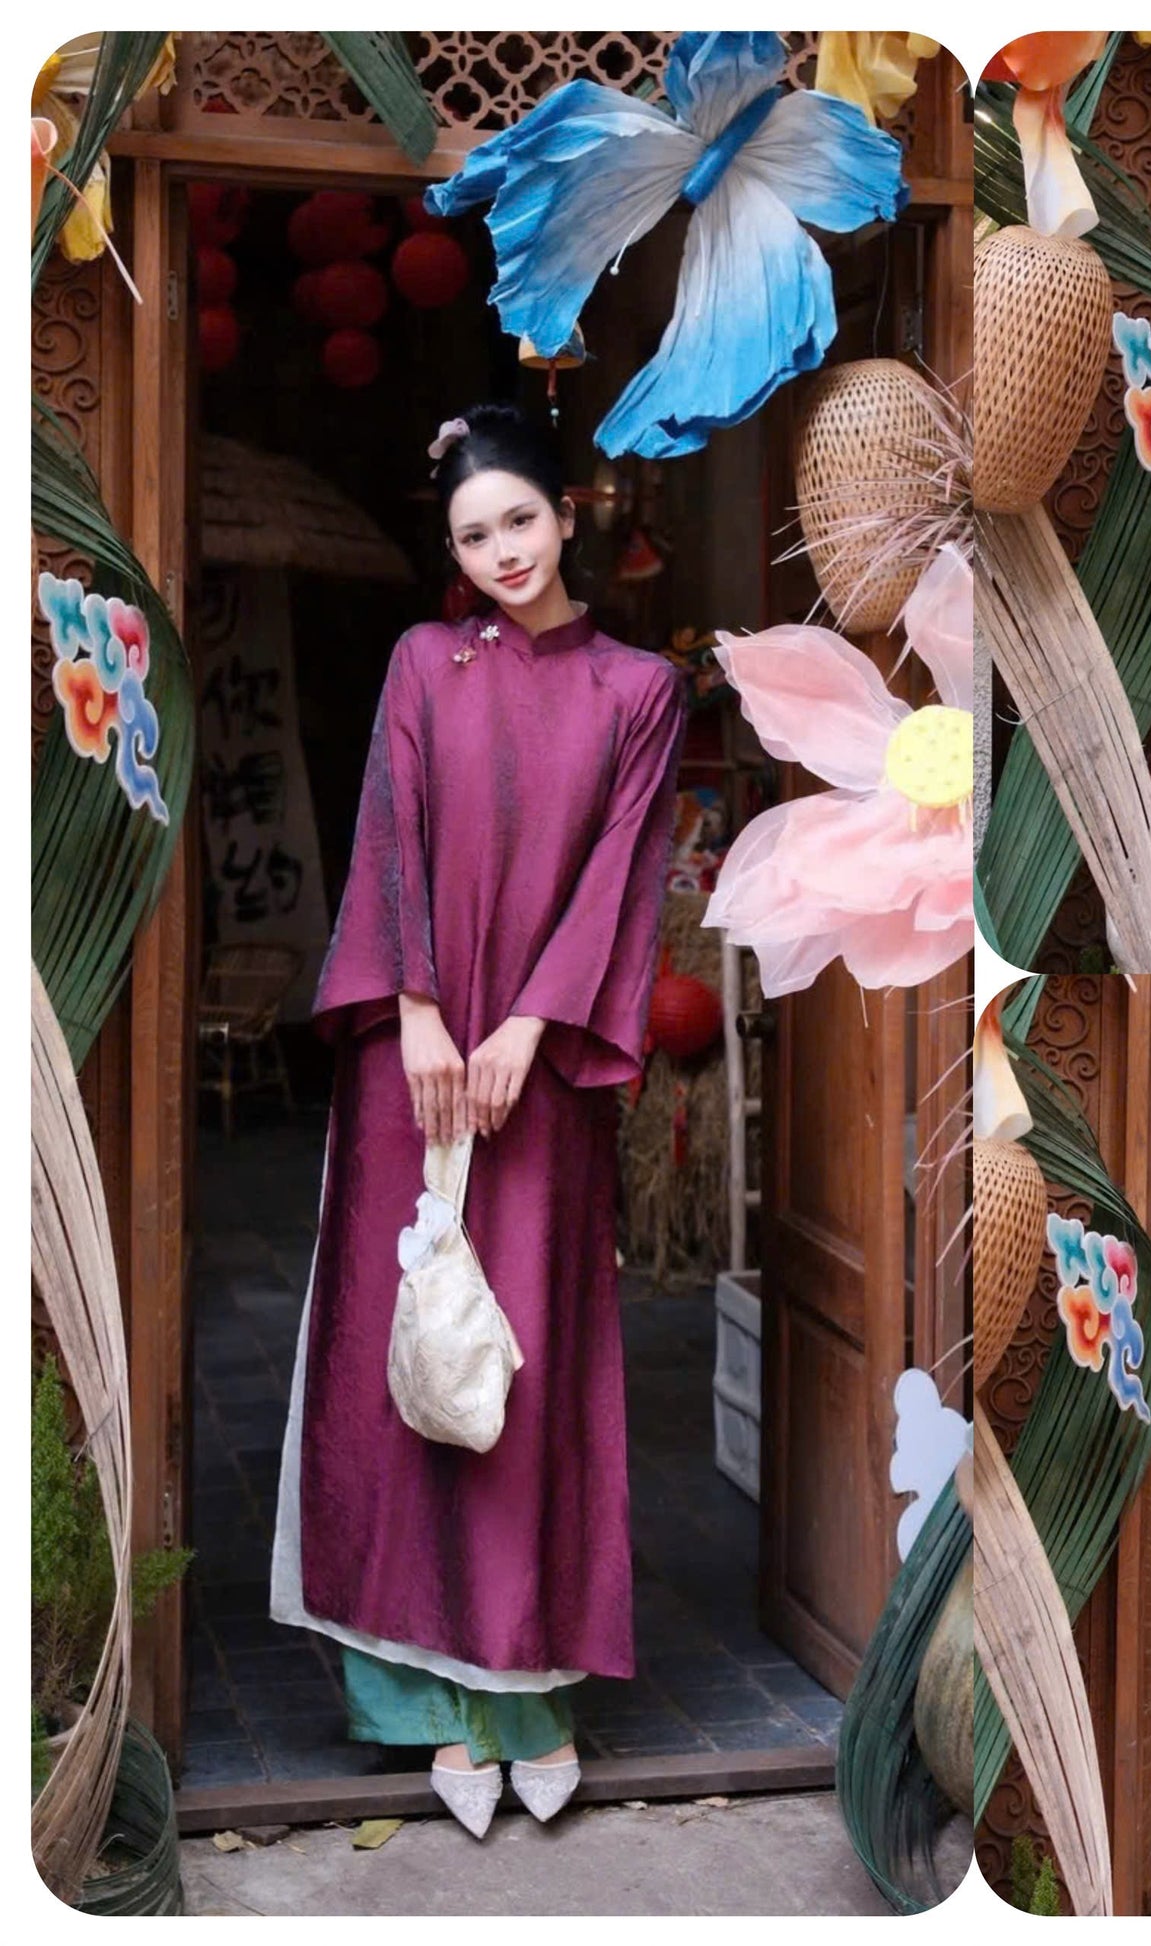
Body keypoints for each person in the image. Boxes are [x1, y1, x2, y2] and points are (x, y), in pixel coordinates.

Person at [269, 403, 686, 1836]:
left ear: (567, 514)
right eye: (471, 535)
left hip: (543, 1076)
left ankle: (529, 1690)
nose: (501, 551)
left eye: (518, 519)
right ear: (448, 552)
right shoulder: (419, 665)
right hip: (417, 1064)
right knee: (408, 1361)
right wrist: (422, 1010)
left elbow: (620, 873)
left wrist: (527, 1026)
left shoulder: (639, 689)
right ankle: (431, 1701)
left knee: (528, 1363)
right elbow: (390, 833)